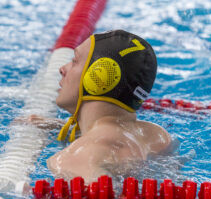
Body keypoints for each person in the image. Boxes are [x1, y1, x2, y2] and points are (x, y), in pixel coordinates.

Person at [43, 29, 173, 182]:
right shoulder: (156, 136)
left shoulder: (74, 157)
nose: (62, 68)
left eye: (75, 61)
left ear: (100, 78)